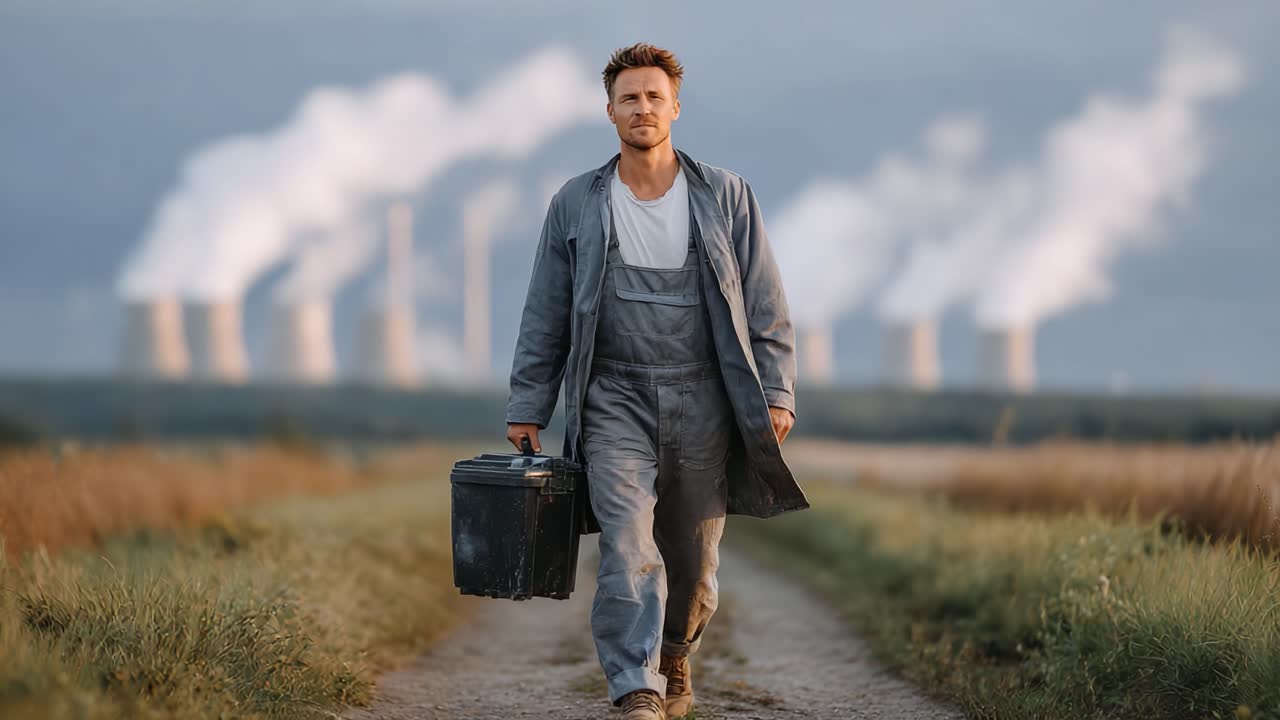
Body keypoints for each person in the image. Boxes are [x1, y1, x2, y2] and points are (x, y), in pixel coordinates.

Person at [504, 42, 809, 720]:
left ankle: (675, 652)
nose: (642, 108)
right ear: (609, 110)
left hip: (704, 395)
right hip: (612, 395)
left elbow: (765, 300)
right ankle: (634, 684)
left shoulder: (726, 195)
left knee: (695, 561)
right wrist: (529, 403)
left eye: (653, 97)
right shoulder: (576, 203)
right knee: (626, 542)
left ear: (675, 107)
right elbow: (545, 310)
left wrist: (777, 389)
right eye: (628, 98)